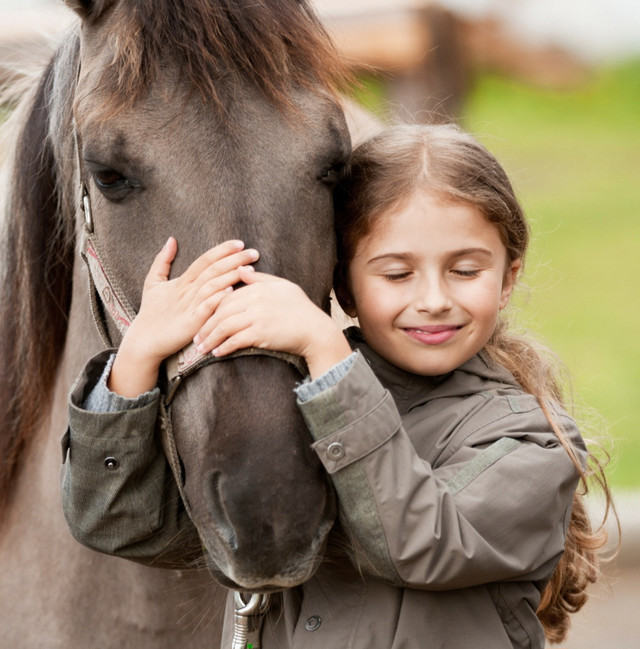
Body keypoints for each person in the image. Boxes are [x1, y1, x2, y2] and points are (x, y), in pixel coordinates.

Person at [62, 123, 612, 648]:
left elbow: (422, 543)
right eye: (397, 274)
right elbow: (121, 525)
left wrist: (328, 354)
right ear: (343, 288)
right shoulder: (287, 407)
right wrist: (137, 357)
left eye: (465, 270)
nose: (434, 299)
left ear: (508, 279)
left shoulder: (533, 442)